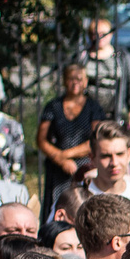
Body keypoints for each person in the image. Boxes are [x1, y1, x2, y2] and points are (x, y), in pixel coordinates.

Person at [36, 62, 99, 206]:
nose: (75, 82)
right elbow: (41, 139)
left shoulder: (93, 107)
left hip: (84, 166)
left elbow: (95, 140)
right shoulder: (53, 106)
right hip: (57, 167)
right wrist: (61, 160)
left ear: (86, 81)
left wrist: (65, 155)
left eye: (79, 78)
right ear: (64, 81)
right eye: (71, 78)